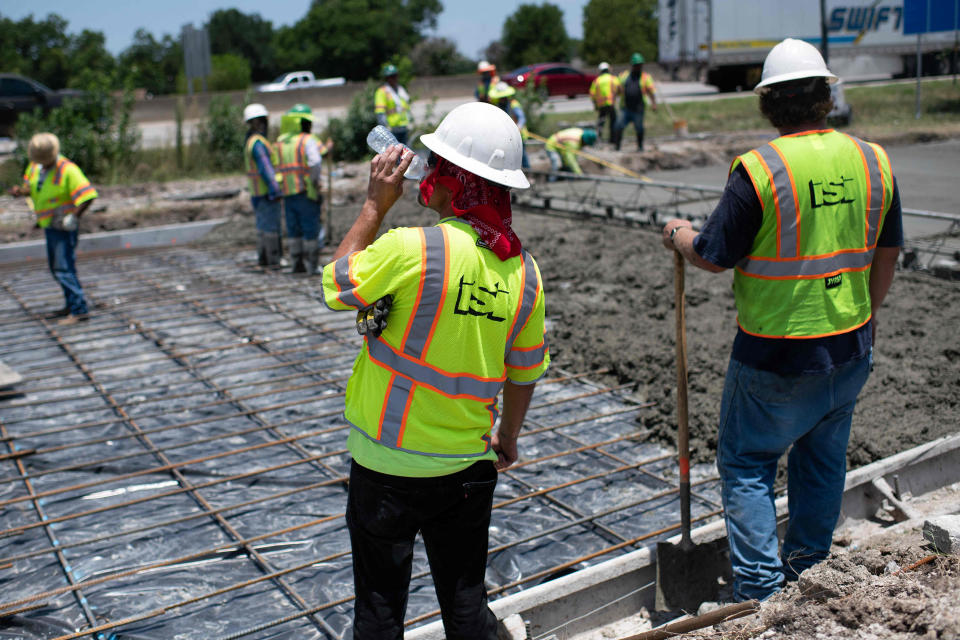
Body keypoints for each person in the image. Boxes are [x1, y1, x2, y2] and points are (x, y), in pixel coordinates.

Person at [660, 38, 902, 602]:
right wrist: (865, 316)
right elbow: (888, 253)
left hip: (774, 354)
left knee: (746, 463)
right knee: (822, 459)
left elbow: (714, 254)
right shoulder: (873, 159)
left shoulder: (760, 170)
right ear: (826, 96)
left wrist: (677, 235)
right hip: (849, 346)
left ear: (767, 104)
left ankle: (763, 592)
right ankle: (809, 569)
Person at [319, 102, 549, 639]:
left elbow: (336, 284)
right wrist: (508, 437)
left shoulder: (411, 248)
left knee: (379, 610)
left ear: (452, 182)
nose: (428, 171)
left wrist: (375, 205)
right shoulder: (525, 273)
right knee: (467, 604)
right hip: (467, 469)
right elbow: (524, 373)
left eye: (437, 164)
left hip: (385, 465)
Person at [8, 133, 98, 325]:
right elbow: (31, 187)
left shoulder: (67, 170)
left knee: (63, 268)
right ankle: (71, 305)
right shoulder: (35, 167)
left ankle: (79, 309)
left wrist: (74, 217)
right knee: (58, 268)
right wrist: (20, 191)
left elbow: (88, 194)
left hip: (63, 227)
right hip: (49, 225)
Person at [275, 103, 330, 274]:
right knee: (310, 229)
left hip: (287, 192)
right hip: (306, 191)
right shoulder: (307, 140)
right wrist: (314, 180)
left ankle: (296, 264)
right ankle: (312, 266)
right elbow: (315, 161)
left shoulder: (281, 142)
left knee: (293, 229)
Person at [243, 103, 283, 268]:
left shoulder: (250, 141)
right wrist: (275, 189)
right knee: (270, 228)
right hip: (267, 193)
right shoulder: (258, 143)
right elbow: (266, 169)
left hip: (257, 193)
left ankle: (264, 259)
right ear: (260, 122)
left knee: (262, 227)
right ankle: (272, 260)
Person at [614, 53, 657, 151]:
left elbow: (651, 91)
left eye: (640, 65)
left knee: (639, 128)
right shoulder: (624, 76)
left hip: (638, 108)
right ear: (632, 65)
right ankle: (617, 146)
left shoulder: (645, 77)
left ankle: (640, 146)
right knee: (618, 126)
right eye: (636, 65)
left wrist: (654, 104)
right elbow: (618, 88)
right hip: (625, 107)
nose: (638, 67)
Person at [488, 81, 531, 169]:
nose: (502, 99)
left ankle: (529, 174)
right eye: (500, 97)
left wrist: (518, 127)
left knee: (522, 156)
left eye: (504, 97)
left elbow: (522, 118)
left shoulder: (513, 104)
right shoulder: (498, 106)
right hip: (506, 136)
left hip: (519, 135)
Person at [374, 64, 412, 145]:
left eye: (395, 76)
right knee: (394, 154)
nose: (394, 78)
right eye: (391, 76)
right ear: (387, 78)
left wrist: (409, 121)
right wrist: (385, 129)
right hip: (391, 130)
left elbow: (405, 108)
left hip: (403, 128)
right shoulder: (382, 91)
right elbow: (380, 112)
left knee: (405, 154)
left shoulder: (401, 90)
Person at [589, 62, 621, 143]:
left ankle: (598, 138)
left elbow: (592, 94)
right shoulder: (613, 78)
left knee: (601, 122)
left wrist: (595, 105)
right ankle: (613, 139)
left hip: (601, 105)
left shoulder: (597, 81)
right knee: (613, 121)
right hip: (611, 103)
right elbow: (620, 89)